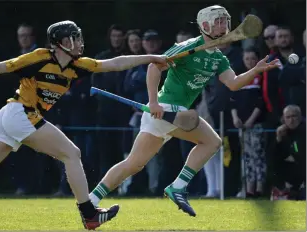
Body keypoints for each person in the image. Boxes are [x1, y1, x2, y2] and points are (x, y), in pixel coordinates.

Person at [0, 20, 168, 230]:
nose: (80, 42)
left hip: (14, 117)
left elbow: (116, 63)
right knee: (71, 153)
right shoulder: (40, 57)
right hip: (20, 114)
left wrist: (152, 58)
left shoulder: (78, 65)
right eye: (75, 37)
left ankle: (89, 214)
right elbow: (1, 67)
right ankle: (89, 214)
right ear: (63, 42)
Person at [89, 5, 280, 217]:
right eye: (218, 21)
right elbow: (154, 67)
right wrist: (153, 102)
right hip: (167, 108)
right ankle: (178, 187)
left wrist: (256, 70)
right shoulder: (187, 47)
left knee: (133, 164)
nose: (224, 25)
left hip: (169, 115)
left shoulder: (218, 58)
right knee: (211, 141)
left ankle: (91, 201)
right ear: (205, 25)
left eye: (225, 21)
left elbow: (233, 83)